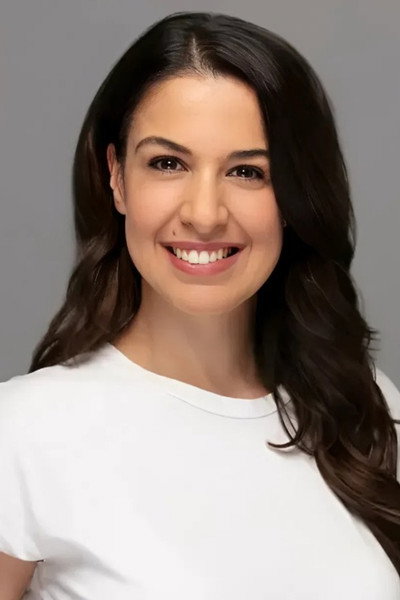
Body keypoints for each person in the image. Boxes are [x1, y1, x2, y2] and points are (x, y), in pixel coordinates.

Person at [0, 10, 399, 599]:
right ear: (117, 177)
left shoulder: (364, 405)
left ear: (295, 197)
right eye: (168, 164)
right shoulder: (21, 435)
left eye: (248, 171)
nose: (205, 214)